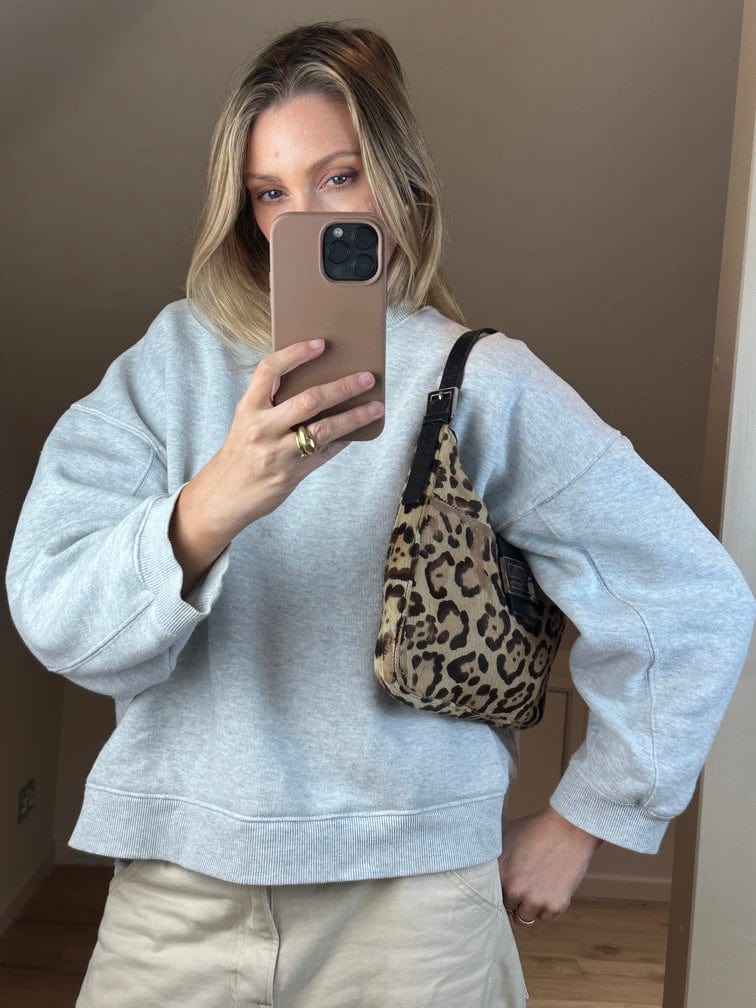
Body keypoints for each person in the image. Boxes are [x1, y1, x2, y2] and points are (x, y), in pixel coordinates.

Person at [5, 18, 754, 1008]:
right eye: (270, 192)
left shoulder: (484, 381)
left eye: (338, 177)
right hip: (176, 893)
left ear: (399, 182)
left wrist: (589, 816)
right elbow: (54, 612)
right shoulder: (168, 366)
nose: (305, 218)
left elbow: (690, 599)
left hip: (416, 914)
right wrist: (215, 502)